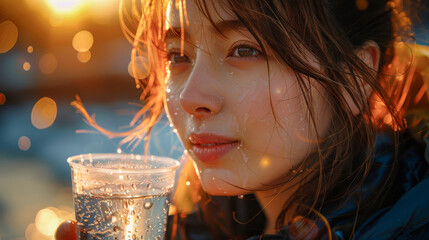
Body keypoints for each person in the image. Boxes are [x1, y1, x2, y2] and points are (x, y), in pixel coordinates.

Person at [57, 0, 429, 239]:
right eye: (178, 55)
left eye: (244, 49)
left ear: (354, 77)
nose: (189, 98)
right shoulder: (201, 222)